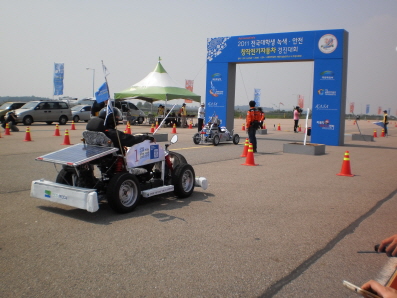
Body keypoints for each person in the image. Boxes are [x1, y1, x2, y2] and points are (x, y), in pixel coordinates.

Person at [86, 107, 154, 153]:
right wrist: (146, 137)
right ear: (111, 118)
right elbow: (131, 140)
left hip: (102, 158)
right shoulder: (111, 133)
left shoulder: (97, 132)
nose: (118, 119)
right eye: (116, 117)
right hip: (116, 162)